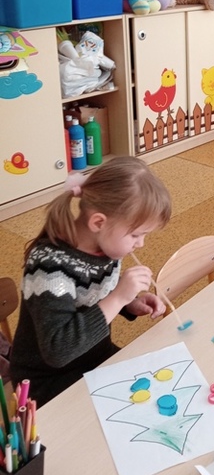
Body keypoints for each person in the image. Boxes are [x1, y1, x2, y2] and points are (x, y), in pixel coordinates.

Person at [10, 157, 172, 407]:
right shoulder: (49, 268)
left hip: (93, 357)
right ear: (98, 222)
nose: (140, 244)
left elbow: (94, 296)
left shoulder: (107, 246)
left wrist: (129, 303)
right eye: (136, 235)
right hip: (47, 380)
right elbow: (58, 350)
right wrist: (118, 297)